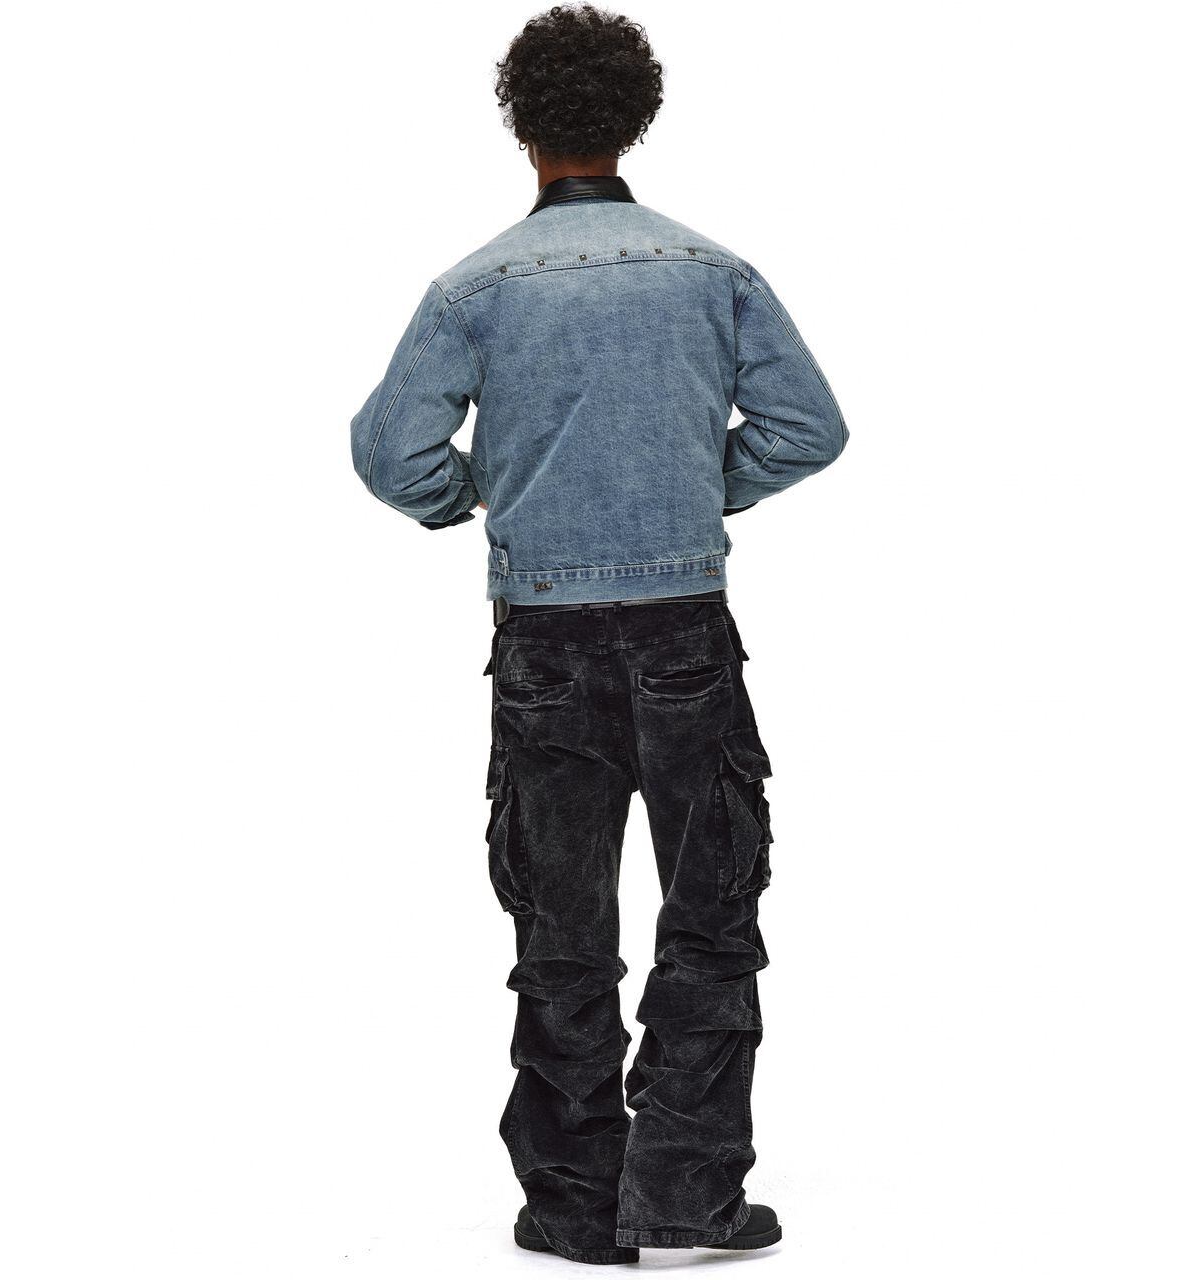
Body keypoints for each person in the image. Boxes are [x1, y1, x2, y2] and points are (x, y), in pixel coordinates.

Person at [350, 4, 847, 1264]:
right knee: (711, 906)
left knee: (558, 927)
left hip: (542, 642)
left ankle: (575, 1202)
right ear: (637, 118)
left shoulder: (473, 287)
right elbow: (809, 428)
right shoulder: (712, 271)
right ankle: (688, 1194)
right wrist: (692, 485)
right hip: (684, 628)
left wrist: (483, 495)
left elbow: (391, 453)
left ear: (521, 128)